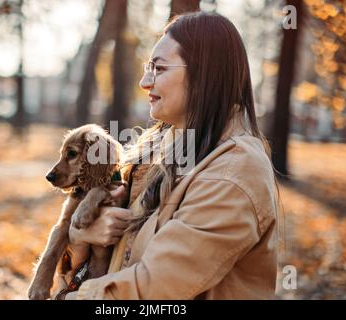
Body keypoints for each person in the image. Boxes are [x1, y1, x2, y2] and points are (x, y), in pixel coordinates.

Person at [65, 11, 279, 300]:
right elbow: (105, 264)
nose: (144, 82)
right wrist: (81, 238)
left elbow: (155, 290)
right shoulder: (158, 151)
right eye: (147, 67)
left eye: (159, 69)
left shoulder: (233, 173)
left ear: (205, 74)